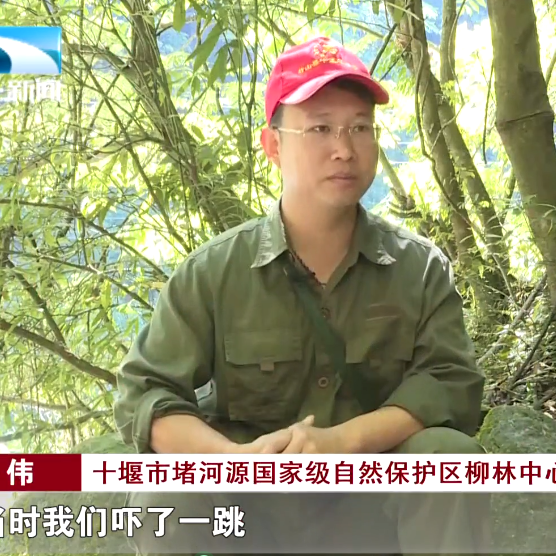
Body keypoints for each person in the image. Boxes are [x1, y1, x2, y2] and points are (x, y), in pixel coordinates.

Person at [112, 35, 490, 555]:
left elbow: (450, 383)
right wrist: (232, 462)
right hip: (249, 518)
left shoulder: (417, 269)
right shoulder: (214, 273)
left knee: (448, 458)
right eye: (320, 128)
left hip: (371, 513)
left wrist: (343, 443)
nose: (344, 148)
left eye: (360, 127)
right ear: (273, 146)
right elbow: (145, 393)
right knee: (164, 490)